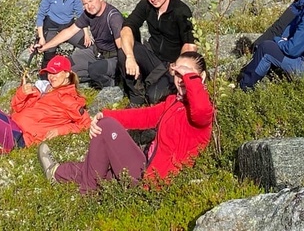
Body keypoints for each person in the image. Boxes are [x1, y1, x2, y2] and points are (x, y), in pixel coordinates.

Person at [38, 52, 213, 193]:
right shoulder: (173, 102)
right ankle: (57, 172)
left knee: (106, 127)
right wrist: (104, 114)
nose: (181, 78)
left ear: (201, 77)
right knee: (102, 167)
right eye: (177, 73)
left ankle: (88, 193)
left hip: (157, 181)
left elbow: (201, 108)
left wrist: (189, 76)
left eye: (187, 73)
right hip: (147, 165)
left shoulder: (202, 112)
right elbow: (144, 116)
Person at [119, 0, 199, 106]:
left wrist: (179, 69)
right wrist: (130, 57)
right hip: (152, 55)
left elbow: (189, 45)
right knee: (123, 52)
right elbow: (127, 27)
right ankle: (136, 96)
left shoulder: (180, 11)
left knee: (154, 96)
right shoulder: (146, 5)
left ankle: (151, 90)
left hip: (172, 63)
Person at [36, 0, 124, 88]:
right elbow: (69, 32)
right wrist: (44, 47)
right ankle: (91, 74)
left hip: (115, 57)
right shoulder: (88, 14)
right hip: (97, 52)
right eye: (85, 3)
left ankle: (115, 83)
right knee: (66, 66)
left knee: (94, 70)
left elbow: (122, 46)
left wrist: (127, 66)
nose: (89, 6)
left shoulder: (113, 17)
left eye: (91, 1)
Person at [34, 0, 85, 68]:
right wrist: (41, 37)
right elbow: (40, 16)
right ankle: (45, 77)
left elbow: (80, 14)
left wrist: (86, 33)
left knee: (87, 45)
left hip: (69, 26)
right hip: (52, 26)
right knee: (48, 53)